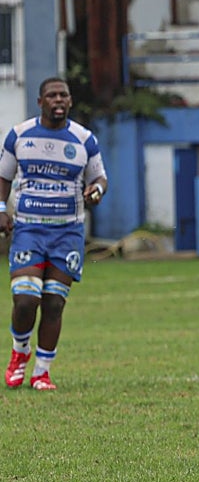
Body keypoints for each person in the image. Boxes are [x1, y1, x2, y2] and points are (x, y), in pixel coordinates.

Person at [0, 77, 108, 391]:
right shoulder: (19, 135)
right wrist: (1, 209)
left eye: (63, 95)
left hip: (67, 233)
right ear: (40, 102)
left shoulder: (84, 139)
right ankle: (20, 352)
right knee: (25, 299)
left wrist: (96, 191)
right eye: (51, 95)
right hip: (28, 229)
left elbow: (100, 178)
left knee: (54, 303)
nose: (58, 99)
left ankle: (42, 372)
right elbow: (3, 176)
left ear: (70, 101)